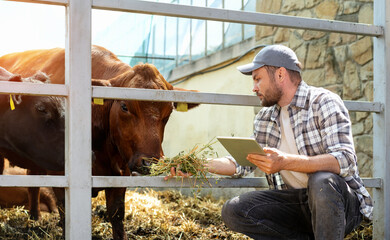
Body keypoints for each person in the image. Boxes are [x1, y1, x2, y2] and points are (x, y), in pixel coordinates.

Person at [166, 44, 373, 239]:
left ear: (280, 74)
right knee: (234, 210)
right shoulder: (265, 118)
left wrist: (285, 162)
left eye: (258, 79)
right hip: (297, 204)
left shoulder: (323, 102)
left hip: (340, 204)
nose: (254, 88)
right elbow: (241, 163)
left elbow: (345, 160)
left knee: (321, 182)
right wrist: (195, 166)